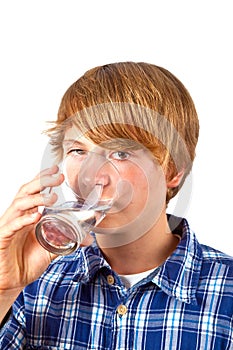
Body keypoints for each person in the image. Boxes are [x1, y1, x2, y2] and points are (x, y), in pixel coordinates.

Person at [0, 62, 232, 349]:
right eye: (78, 151)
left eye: (120, 153)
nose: (91, 176)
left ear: (173, 171)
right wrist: (4, 289)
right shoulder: (34, 285)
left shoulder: (227, 294)